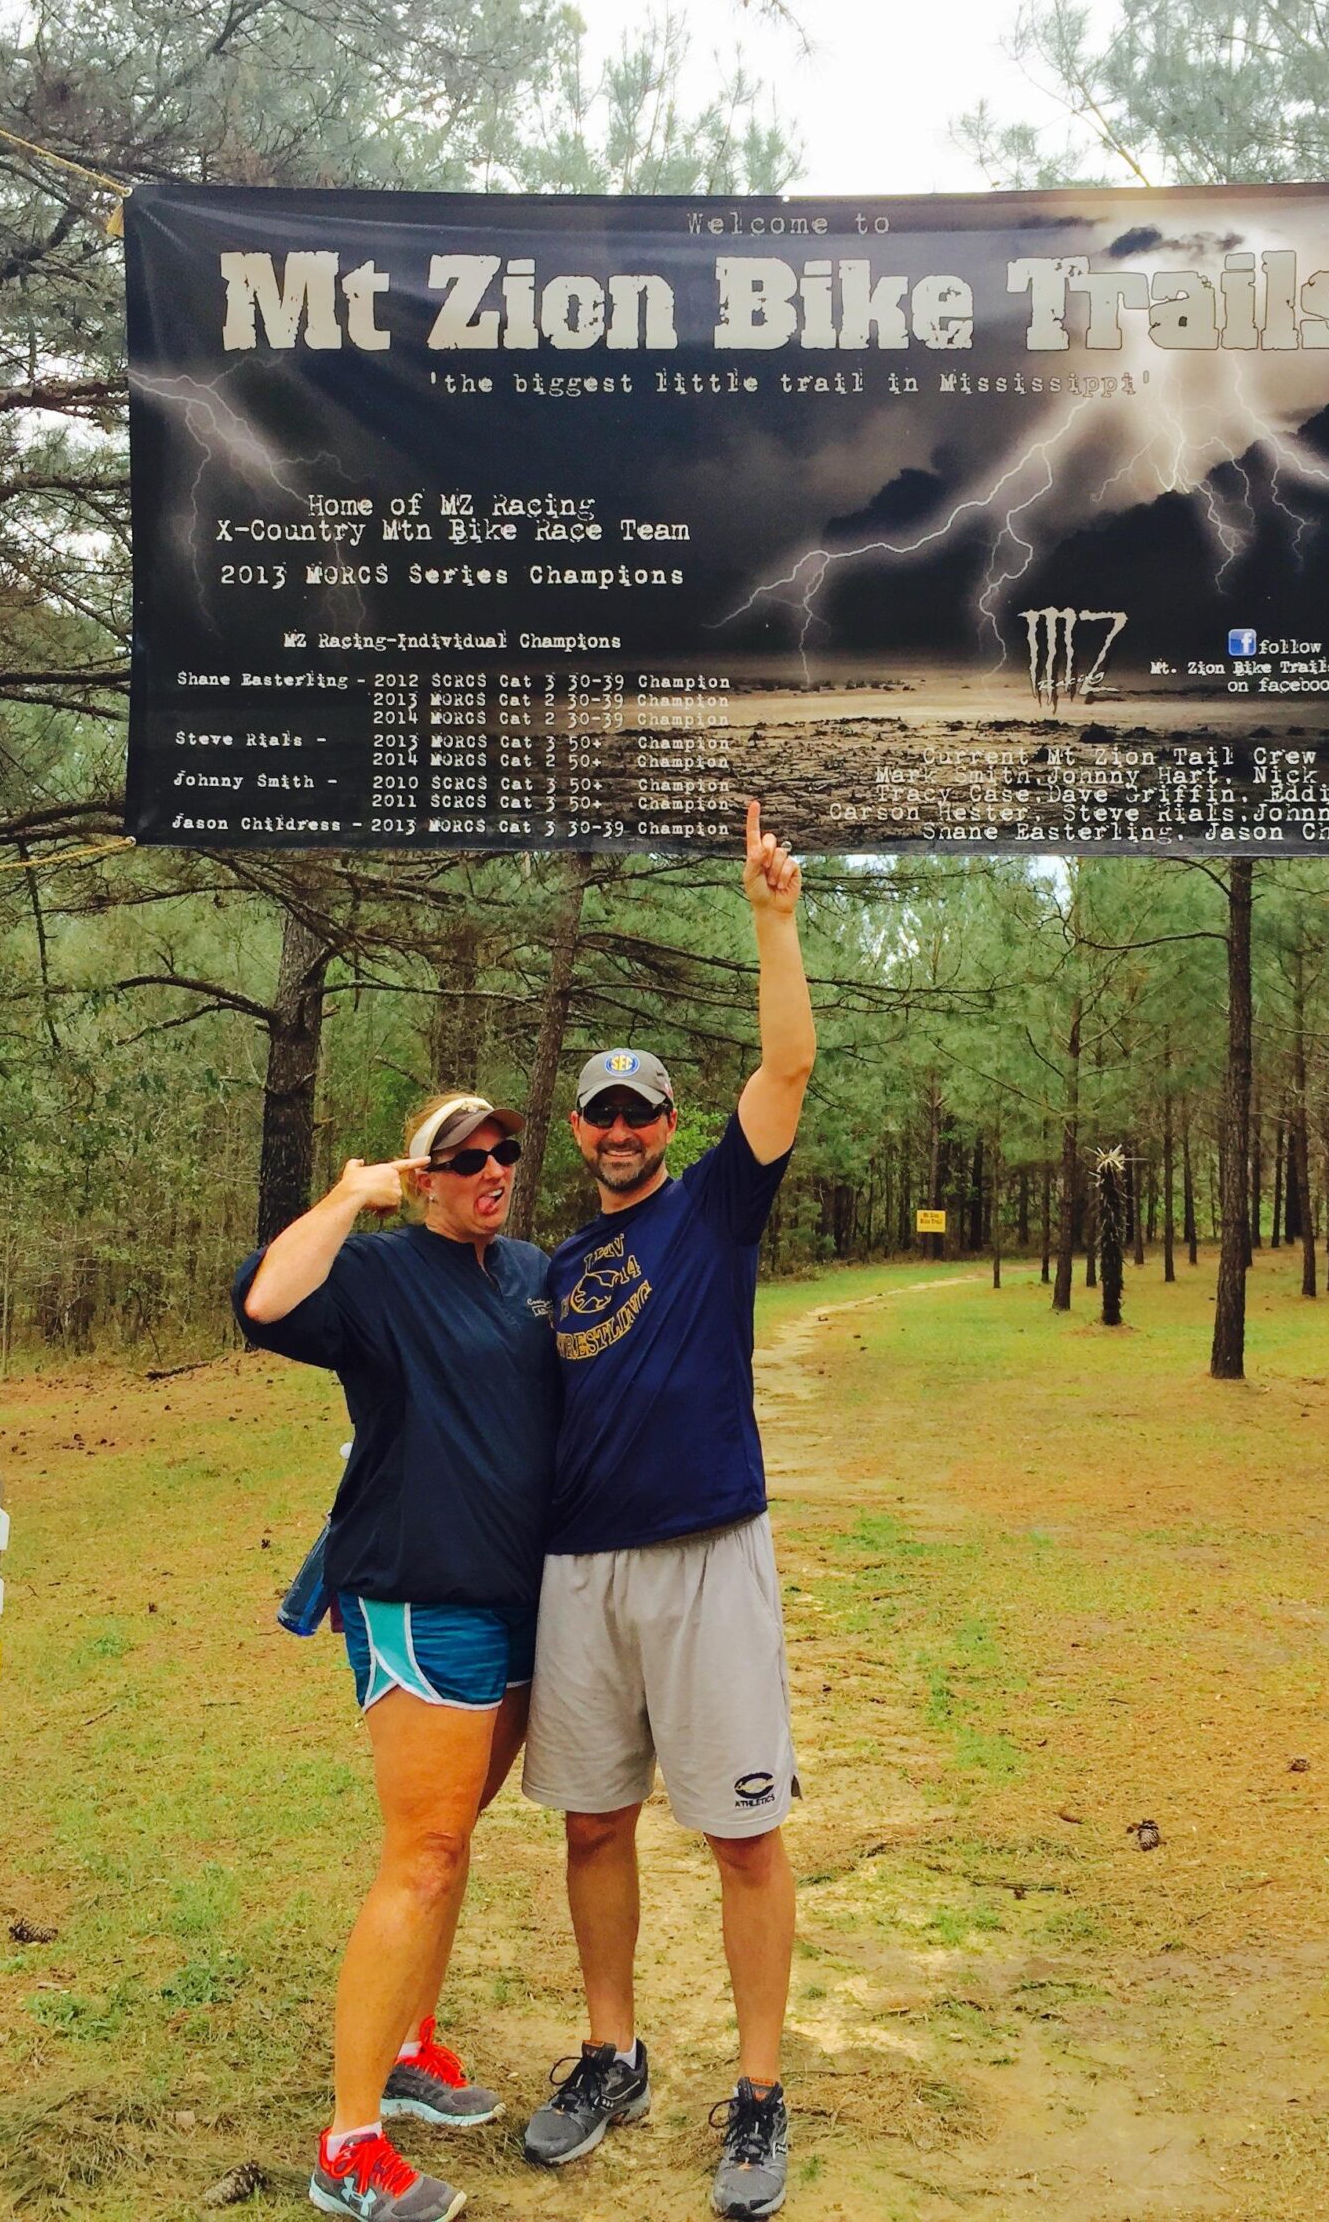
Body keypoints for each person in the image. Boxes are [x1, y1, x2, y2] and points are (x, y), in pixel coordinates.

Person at [520, 800, 815, 2221]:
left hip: (705, 1556)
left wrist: (772, 923)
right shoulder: (556, 1263)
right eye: (603, 1111)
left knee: (743, 1834)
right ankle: (610, 2051)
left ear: (668, 1126)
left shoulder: (713, 1209)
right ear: (580, 1129)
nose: (624, 1128)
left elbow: (790, 1064)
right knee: (591, 1828)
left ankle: (758, 2092)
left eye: (643, 1110)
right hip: (579, 1579)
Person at [233, 1092, 558, 2222]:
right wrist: (347, 1193)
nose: (492, 1167)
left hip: (519, 1600)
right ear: (421, 1178)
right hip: (416, 1596)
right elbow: (266, 1299)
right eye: (464, 1157)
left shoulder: (529, 1271)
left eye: (504, 1151)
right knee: (420, 1851)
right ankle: (349, 2142)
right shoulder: (377, 1273)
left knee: (453, 1842)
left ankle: (414, 2042)